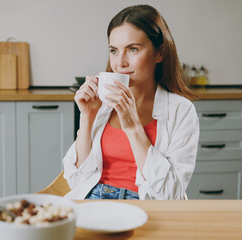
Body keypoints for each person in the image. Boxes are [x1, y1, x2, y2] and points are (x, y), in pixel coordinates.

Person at [62, 4, 199, 200]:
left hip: (147, 207)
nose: (120, 62)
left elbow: (171, 194)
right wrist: (87, 117)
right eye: (114, 50)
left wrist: (133, 126)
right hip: (93, 201)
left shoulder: (181, 110)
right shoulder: (102, 105)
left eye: (132, 49)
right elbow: (76, 181)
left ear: (159, 53)